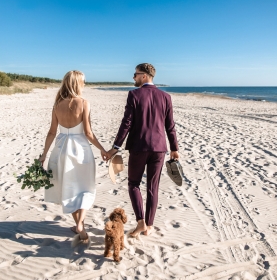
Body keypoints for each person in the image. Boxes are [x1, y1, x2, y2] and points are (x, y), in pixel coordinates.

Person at [104, 63, 179, 237]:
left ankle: (141, 222)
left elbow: (126, 123)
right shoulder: (166, 96)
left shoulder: (134, 94)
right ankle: (150, 226)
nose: (133, 78)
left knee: (133, 184)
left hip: (139, 146)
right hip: (159, 148)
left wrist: (115, 147)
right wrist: (174, 147)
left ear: (144, 76)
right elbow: (170, 126)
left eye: (136, 74)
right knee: (153, 187)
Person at [40, 70, 108, 243]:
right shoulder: (84, 103)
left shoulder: (57, 105)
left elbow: (51, 132)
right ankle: (80, 225)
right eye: (83, 81)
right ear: (77, 83)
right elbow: (88, 132)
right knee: (85, 186)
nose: (84, 84)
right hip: (81, 150)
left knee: (68, 187)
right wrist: (102, 149)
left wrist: (44, 155)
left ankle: (79, 224)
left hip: (61, 149)